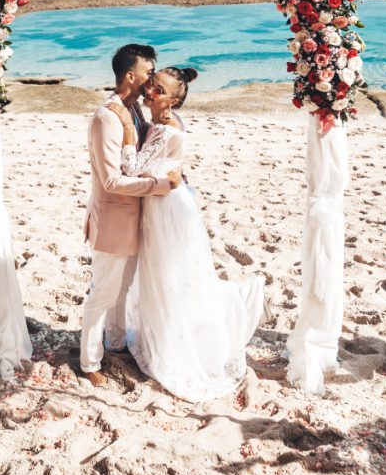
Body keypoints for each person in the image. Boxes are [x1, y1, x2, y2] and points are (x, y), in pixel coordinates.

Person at [108, 67, 265, 402]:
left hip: (168, 210)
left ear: (174, 100)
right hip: (166, 202)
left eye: (160, 91)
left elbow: (132, 168)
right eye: (151, 85)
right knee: (164, 276)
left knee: (170, 277)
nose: (151, 92)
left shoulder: (166, 129)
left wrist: (125, 132)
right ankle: (166, 335)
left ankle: (179, 340)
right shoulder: (162, 122)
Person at [80, 45, 182, 386]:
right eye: (148, 71)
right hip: (114, 219)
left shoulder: (135, 110)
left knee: (122, 289)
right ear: (130, 75)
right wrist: (159, 186)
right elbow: (111, 180)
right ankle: (90, 362)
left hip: (137, 217)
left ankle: (116, 342)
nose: (151, 77)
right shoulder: (107, 117)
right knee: (103, 293)